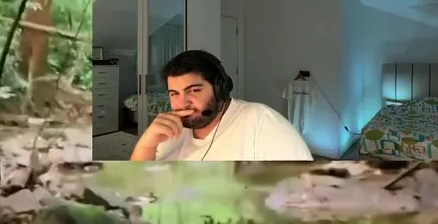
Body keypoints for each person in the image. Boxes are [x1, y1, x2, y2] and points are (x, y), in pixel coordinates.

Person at [129, 50, 314, 162]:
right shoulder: (170, 130)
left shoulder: (262, 123)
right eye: (174, 93)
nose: (182, 103)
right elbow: (133, 188)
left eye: (193, 90)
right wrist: (146, 144)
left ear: (220, 89)